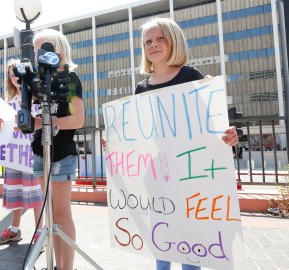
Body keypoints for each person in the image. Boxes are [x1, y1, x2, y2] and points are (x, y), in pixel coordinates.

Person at [103, 17, 238, 270]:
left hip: (189, 175)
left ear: (173, 41)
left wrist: (228, 135)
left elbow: (208, 126)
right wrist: (115, 143)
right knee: (162, 242)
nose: (153, 45)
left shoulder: (190, 76)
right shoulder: (141, 88)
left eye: (160, 39)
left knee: (190, 244)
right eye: (148, 41)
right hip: (157, 176)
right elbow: (138, 134)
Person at [30, 28, 84, 270]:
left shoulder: (70, 79)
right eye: (35, 50)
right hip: (42, 151)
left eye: (43, 48)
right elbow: (38, 120)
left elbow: (77, 120)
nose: (38, 54)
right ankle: (54, 265)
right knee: (50, 214)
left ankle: (66, 268)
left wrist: (46, 123)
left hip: (61, 153)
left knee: (61, 214)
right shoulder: (38, 81)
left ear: (59, 50)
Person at [0, 59, 44, 245]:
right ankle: (15, 229)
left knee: (37, 193)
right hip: (14, 153)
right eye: (11, 74)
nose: (14, 77)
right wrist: (1, 125)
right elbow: (4, 129)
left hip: (32, 151)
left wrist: (23, 125)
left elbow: (42, 123)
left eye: (17, 72)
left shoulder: (36, 97)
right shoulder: (9, 101)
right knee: (16, 192)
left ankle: (40, 231)